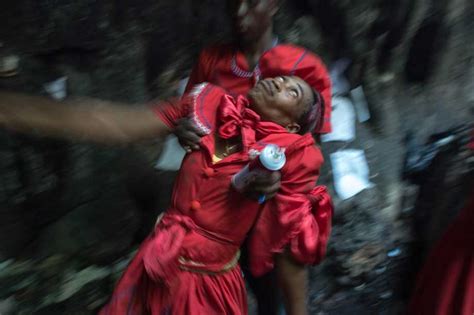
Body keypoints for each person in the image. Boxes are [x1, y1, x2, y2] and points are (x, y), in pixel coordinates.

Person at [0, 75, 333, 314]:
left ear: (291, 126)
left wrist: (268, 193)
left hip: (207, 285)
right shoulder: (211, 108)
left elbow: (292, 242)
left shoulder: (292, 158)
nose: (278, 83)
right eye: (282, 78)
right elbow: (112, 122)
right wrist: (14, 110)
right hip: (158, 263)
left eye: (293, 92)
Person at [167, 2, 332, 312]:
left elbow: (309, 150)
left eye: (251, 2)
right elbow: (190, 116)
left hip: (267, 216)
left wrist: (279, 181)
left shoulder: (306, 68)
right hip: (212, 209)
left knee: (268, 292)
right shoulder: (213, 61)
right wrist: (183, 130)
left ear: (273, 4)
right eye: (232, 3)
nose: (239, 13)